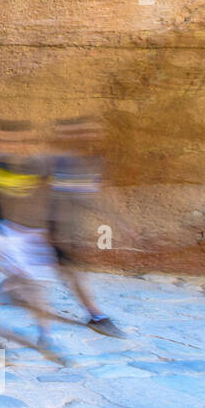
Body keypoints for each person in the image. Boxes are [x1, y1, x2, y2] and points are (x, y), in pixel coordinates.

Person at [0, 120, 60, 356]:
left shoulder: (30, 169)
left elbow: (38, 199)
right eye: (1, 140)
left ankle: (44, 334)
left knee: (34, 286)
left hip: (19, 236)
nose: (9, 145)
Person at [49, 116, 123, 337]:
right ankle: (96, 315)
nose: (87, 137)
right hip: (51, 229)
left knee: (55, 271)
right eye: (80, 132)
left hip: (68, 230)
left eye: (89, 132)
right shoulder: (54, 162)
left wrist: (119, 221)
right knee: (71, 273)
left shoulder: (93, 162)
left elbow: (93, 197)